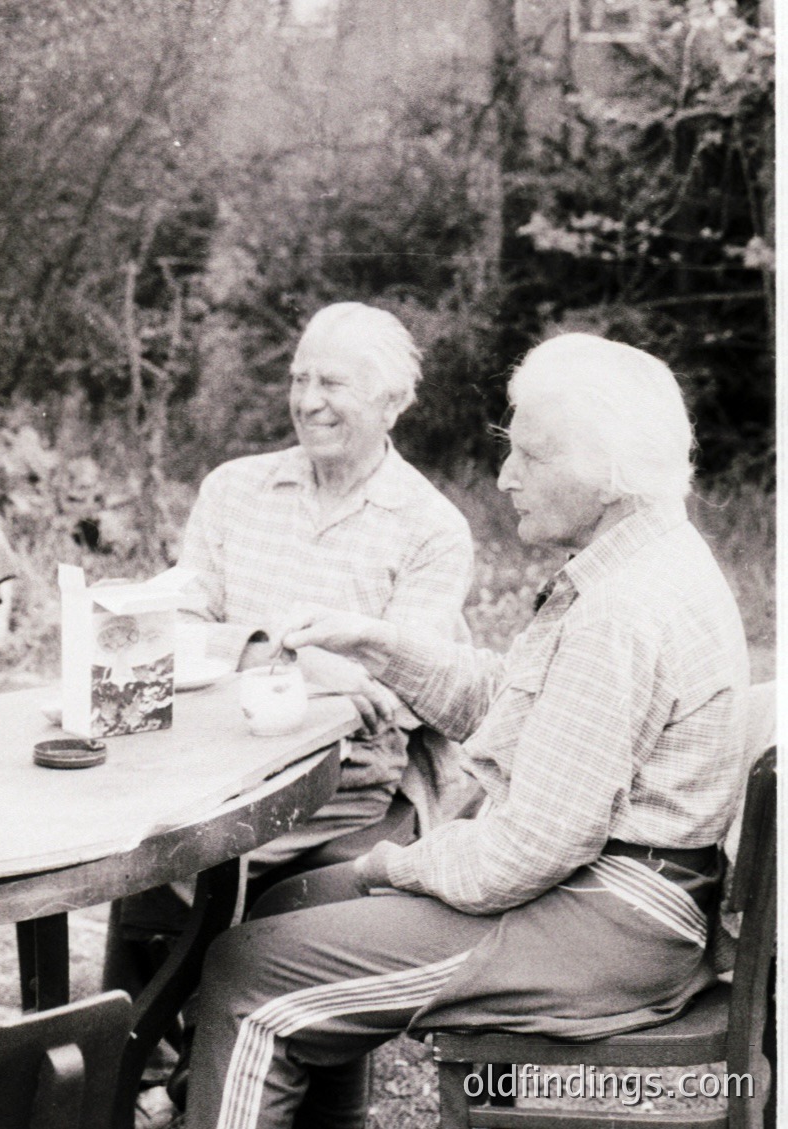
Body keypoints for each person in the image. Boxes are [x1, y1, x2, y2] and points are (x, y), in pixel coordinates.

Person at [182, 334, 751, 1129]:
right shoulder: (639, 558)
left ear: (610, 472)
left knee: (248, 976)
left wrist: (396, 864)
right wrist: (376, 643)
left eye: (529, 456)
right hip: (616, 898)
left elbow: (526, 852)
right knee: (286, 902)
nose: (505, 476)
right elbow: (516, 709)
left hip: (605, 925)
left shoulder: (621, 610)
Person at [110, 304, 474, 1119]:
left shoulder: (430, 529)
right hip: (204, 766)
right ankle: (143, 1083)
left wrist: (240, 650)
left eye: (331, 382)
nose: (307, 399)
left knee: (231, 891)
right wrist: (301, 657)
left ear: (392, 402)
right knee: (135, 860)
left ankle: (205, 1085)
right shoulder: (235, 488)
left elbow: (400, 697)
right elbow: (169, 628)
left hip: (339, 791)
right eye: (298, 378)